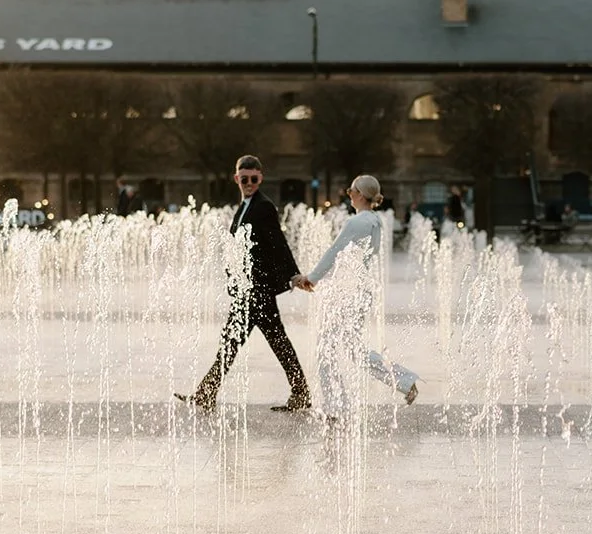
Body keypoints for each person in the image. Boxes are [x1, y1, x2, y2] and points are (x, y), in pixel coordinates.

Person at [177, 155, 312, 412]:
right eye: (244, 179)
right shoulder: (245, 206)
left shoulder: (263, 206)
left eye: (254, 179)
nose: (249, 183)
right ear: (236, 178)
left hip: (257, 289)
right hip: (248, 288)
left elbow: (278, 244)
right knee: (258, 340)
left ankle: (208, 393)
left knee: (243, 340)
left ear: (260, 179)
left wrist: (293, 274)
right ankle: (300, 392)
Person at [291, 174, 419, 416]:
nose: (348, 194)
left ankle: (334, 407)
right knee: (353, 350)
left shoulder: (357, 223)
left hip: (347, 293)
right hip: (358, 291)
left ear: (360, 194)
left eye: (351, 191)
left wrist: (310, 278)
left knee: (326, 349)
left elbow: (333, 253)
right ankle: (403, 381)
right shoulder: (375, 221)